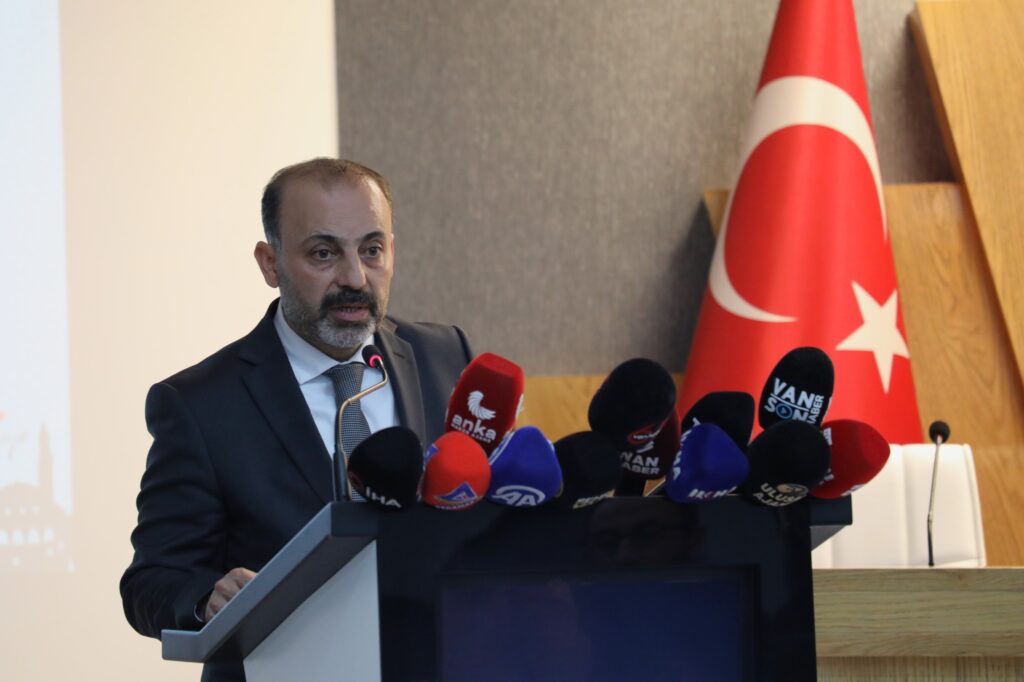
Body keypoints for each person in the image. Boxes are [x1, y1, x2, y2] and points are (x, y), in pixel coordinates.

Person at [120, 158, 472, 681]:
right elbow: (151, 581)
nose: (354, 278)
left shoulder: (445, 357)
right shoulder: (200, 404)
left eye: (371, 250)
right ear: (270, 264)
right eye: (324, 253)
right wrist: (207, 597)